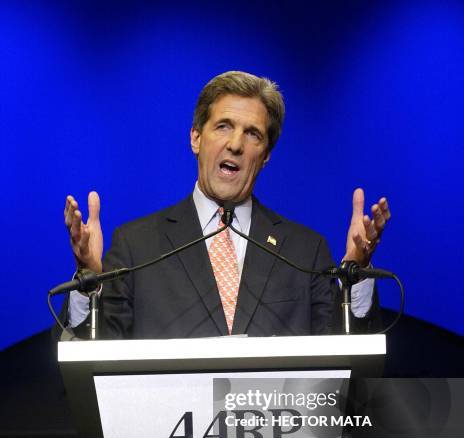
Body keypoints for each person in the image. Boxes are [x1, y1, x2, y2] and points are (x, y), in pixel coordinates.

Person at [63, 71, 390, 339]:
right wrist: (88, 280)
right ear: (196, 138)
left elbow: (345, 367)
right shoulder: (136, 246)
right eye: (223, 126)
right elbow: (93, 359)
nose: (235, 144)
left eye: (253, 134)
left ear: (265, 156)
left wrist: (355, 276)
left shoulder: (305, 252)